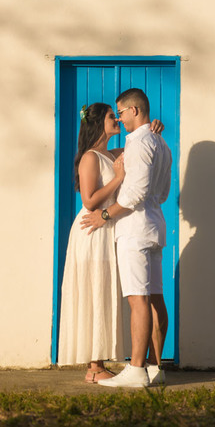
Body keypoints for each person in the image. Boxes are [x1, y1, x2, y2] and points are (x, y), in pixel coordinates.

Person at [82, 87, 172, 389]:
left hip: (135, 229)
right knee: (154, 297)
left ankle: (136, 369)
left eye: (120, 112)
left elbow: (136, 193)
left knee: (139, 300)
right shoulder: (160, 142)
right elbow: (162, 192)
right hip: (154, 225)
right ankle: (154, 367)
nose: (119, 119)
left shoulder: (140, 142)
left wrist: (106, 215)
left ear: (134, 110)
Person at [57, 102, 128, 382]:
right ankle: (94, 368)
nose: (117, 120)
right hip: (92, 230)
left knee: (104, 289)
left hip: (106, 228)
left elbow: (138, 144)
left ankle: (98, 364)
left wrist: (153, 129)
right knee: (94, 289)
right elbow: (89, 200)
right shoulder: (90, 157)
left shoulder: (111, 154)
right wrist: (119, 178)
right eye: (112, 116)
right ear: (99, 122)